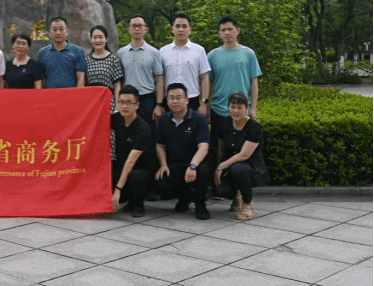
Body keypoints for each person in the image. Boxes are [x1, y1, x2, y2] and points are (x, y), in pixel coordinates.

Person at [207, 16, 262, 167]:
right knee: (217, 148)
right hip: (219, 109)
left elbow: (254, 82)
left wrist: (253, 108)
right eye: (223, 30)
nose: (227, 32)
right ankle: (217, 175)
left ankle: (237, 178)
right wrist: (206, 104)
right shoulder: (212, 55)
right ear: (219, 33)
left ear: (237, 30)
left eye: (230, 29)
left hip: (241, 110)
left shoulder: (248, 53)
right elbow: (209, 82)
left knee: (240, 150)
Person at [155, 83, 211, 220]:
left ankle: (200, 204)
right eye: (171, 98)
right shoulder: (164, 120)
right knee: (161, 183)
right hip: (175, 162)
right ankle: (184, 197)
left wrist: (193, 166)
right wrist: (163, 165)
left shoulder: (199, 119)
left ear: (186, 100)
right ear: (167, 100)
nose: (175, 101)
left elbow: (203, 147)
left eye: (179, 97)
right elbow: (160, 145)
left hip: (196, 162)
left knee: (203, 171)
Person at [214, 91, 270, 221]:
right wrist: (217, 168)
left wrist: (221, 166)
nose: (235, 111)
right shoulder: (225, 122)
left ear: (246, 108)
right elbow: (221, 149)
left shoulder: (254, 127)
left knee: (238, 168)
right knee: (220, 190)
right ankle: (237, 197)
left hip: (251, 167)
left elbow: (244, 155)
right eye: (232, 107)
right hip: (230, 165)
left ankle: (248, 204)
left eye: (240, 108)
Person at [111, 85, 156, 218]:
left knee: (136, 177)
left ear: (137, 105)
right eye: (121, 102)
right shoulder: (117, 118)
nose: (124, 106)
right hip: (123, 167)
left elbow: (131, 161)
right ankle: (127, 198)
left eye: (129, 102)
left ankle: (138, 204)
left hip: (143, 171)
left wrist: (118, 189)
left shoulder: (143, 129)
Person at [117, 15, 164, 137]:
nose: (137, 29)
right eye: (134, 26)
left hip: (147, 99)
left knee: (148, 133)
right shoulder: (121, 53)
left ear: (145, 29)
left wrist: (159, 104)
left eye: (140, 26)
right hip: (128, 100)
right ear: (128, 29)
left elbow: (159, 80)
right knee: (128, 133)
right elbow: (119, 81)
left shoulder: (154, 52)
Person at [159, 13, 211, 116]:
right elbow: (161, 79)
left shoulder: (199, 50)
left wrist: (204, 102)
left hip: (192, 100)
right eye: (177, 26)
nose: (181, 30)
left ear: (190, 30)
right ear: (172, 29)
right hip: (170, 101)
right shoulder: (163, 51)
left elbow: (205, 77)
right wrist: (159, 104)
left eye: (184, 26)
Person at [36, 17, 86, 88]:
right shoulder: (42, 53)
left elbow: (81, 78)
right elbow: (39, 79)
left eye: (61, 29)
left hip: (70, 93)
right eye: (54, 29)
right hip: (50, 93)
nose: (58, 32)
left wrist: (77, 94)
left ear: (67, 31)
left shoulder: (77, 51)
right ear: (50, 31)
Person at [86, 25, 124, 111]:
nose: (97, 40)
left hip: (109, 103)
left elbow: (117, 86)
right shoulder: (86, 60)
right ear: (91, 39)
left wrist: (118, 104)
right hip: (91, 103)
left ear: (106, 39)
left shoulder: (113, 60)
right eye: (94, 37)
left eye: (100, 37)